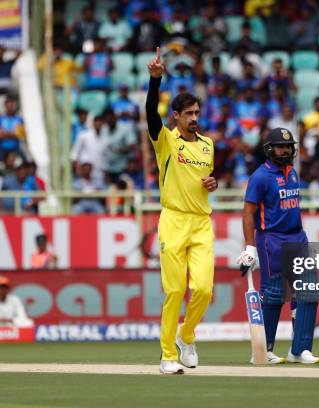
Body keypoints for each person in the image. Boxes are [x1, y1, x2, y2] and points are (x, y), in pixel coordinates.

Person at [146, 47, 217, 375]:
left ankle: (187, 336)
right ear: (176, 116)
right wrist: (154, 82)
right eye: (188, 113)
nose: (194, 118)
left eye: (197, 113)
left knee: (203, 289)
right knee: (175, 290)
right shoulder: (165, 140)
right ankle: (167, 355)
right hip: (173, 220)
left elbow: (201, 179)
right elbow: (150, 113)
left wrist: (211, 183)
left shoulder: (207, 145)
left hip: (202, 222)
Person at [238, 127, 319, 364]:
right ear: (269, 149)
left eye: (288, 146)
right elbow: (248, 213)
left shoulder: (292, 172)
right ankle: (266, 350)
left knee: (308, 292)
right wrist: (250, 247)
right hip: (271, 238)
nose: (285, 150)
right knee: (274, 295)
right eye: (280, 146)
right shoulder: (260, 177)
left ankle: (300, 350)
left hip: (297, 237)